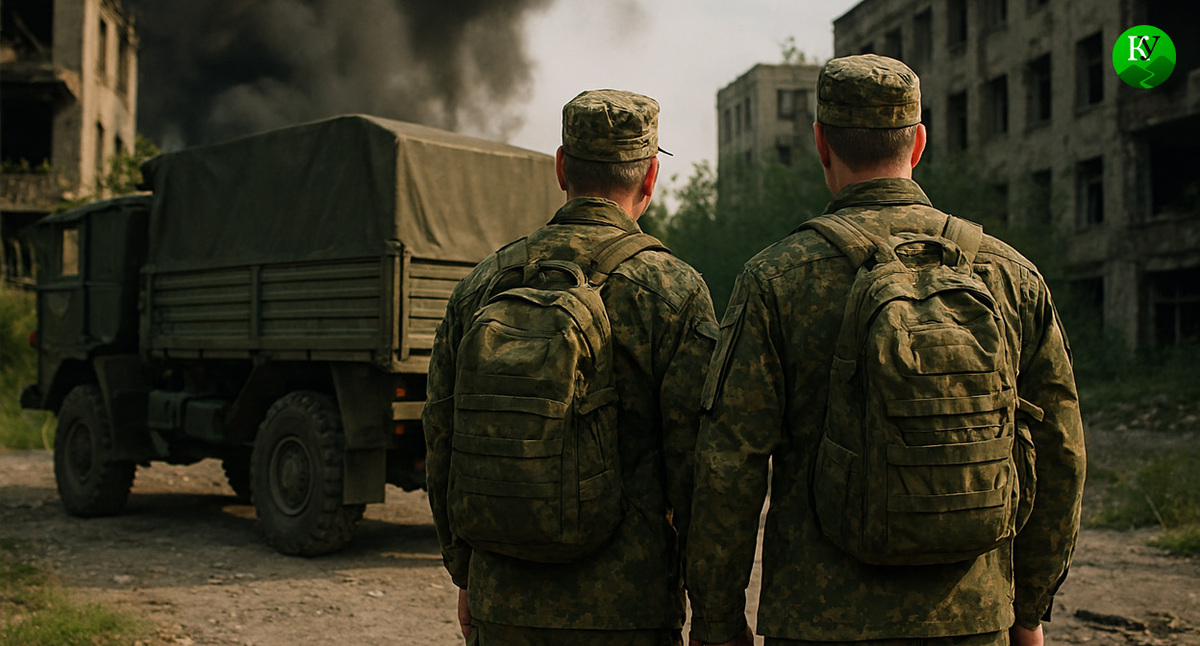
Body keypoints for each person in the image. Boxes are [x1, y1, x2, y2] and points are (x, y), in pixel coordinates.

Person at [685, 54, 1086, 646]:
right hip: (972, 617)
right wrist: (1029, 609)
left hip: (818, 622)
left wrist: (718, 621)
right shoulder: (1007, 274)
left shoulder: (776, 278)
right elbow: (1062, 451)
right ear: (918, 142)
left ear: (821, 143)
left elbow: (729, 466)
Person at [423, 89, 718, 646]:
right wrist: (713, 609)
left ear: (562, 168)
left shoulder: (483, 284)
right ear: (650, 178)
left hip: (502, 599)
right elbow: (700, 472)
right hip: (628, 611)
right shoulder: (673, 292)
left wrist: (468, 573)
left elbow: (443, 441)